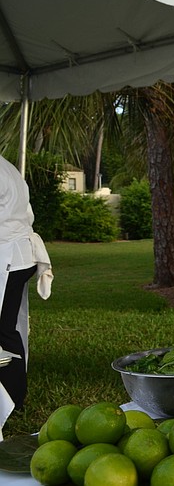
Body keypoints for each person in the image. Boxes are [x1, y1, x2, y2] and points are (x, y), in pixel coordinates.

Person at [0, 155, 52, 439]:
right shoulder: (7, 166)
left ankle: (12, 396)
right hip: (20, 255)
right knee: (8, 327)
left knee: (3, 331)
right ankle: (15, 393)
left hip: (10, 255)